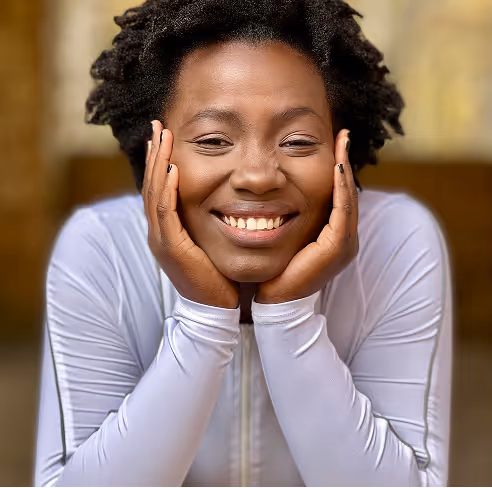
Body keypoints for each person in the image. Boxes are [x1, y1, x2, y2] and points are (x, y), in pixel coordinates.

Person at [34, 0, 452, 486]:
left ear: (343, 146)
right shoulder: (99, 250)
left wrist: (290, 316)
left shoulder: (398, 243)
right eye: (213, 140)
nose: (257, 176)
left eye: (296, 141)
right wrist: (203, 318)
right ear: (155, 152)